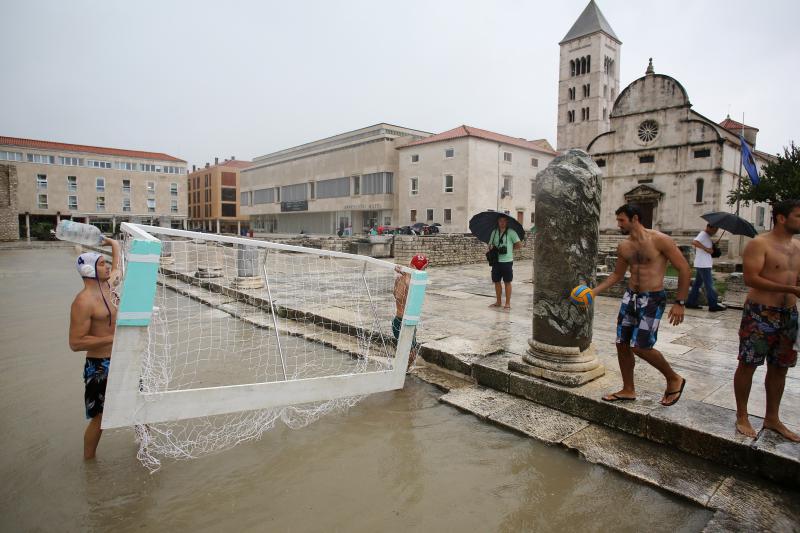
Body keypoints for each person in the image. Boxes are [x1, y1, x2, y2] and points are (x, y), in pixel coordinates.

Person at [591, 204, 690, 406]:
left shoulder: (660, 240)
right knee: (622, 343)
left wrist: (679, 302)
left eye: (621, 220)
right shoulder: (624, 246)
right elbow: (617, 275)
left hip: (652, 298)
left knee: (641, 347)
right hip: (630, 297)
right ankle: (628, 389)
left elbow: (684, 269)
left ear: (635, 218)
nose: (618, 224)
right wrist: (594, 292)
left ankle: (674, 378)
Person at [734, 199, 800, 441]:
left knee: (781, 367)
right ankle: (742, 415)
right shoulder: (759, 244)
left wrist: (794, 287)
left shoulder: (798, 246)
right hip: (760, 312)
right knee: (748, 363)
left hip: (789, 314)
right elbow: (751, 278)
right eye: (798, 216)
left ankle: (772, 418)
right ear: (782, 218)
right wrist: (790, 289)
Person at [68, 238, 121, 459]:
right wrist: (112, 338)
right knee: (100, 418)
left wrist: (112, 243)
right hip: (100, 365)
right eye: (101, 264)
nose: (107, 267)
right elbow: (76, 342)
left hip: (122, 359)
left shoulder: (109, 286)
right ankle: (89, 463)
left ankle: (145, 448)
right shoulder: (83, 302)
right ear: (89, 270)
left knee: (138, 405)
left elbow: (118, 267)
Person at [393, 254, 429, 370]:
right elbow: (398, 296)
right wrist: (405, 274)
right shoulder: (404, 279)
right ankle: (399, 372)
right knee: (411, 353)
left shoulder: (413, 280)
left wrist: (404, 273)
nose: (424, 271)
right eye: (423, 269)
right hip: (400, 322)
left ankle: (402, 371)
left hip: (409, 322)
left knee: (408, 352)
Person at [685, 223, 726, 311]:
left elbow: (708, 249)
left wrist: (713, 245)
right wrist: (706, 249)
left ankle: (690, 302)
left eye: (717, 230)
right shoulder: (703, 234)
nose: (715, 232)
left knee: (697, 284)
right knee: (709, 285)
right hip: (703, 264)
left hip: (703, 263)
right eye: (714, 229)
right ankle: (713, 305)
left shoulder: (706, 236)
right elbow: (694, 242)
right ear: (708, 227)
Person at [488, 215, 522, 310]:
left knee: (507, 282)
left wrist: (509, 248)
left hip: (507, 261)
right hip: (496, 261)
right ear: (498, 222)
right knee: (496, 281)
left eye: (504, 221)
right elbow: (490, 244)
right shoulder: (494, 232)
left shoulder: (511, 232)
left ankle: (507, 303)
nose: (502, 223)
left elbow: (519, 245)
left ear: (507, 222)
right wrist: (492, 247)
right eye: (500, 221)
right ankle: (498, 302)